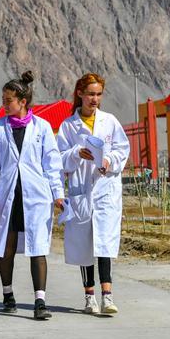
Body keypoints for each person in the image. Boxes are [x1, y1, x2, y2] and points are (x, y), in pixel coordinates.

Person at [0, 71, 65, 319]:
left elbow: (52, 163)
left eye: (9, 100)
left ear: (22, 101)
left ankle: (40, 301)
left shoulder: (42, 127)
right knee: (5, 247)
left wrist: (58, 194)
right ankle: (8, 294)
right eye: (3, 100)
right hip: (7, 195)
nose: (4, 104)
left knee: (38, 247)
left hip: (36, 196)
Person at [56, 73, 130, 315]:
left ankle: (107, 296)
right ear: (80, 94)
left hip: (105, 190)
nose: (94, 99)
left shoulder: (110, 121)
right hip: (81, 191)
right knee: (85, 246)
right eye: (90, 94)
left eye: (98, 94)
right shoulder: (68, 126)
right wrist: (77, 153)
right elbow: (59, 158)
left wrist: (108, 160)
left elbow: (122, 148)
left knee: (105, 244)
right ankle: (90, 297)